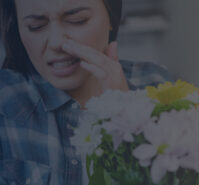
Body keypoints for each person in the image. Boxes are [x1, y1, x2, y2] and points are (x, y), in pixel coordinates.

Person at [0, 0, 172, 184]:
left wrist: (125, 115)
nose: (57, 43)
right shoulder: (6, 100)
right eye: (36, 26)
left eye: (77, 20)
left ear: (111, 18)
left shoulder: (156, 87)